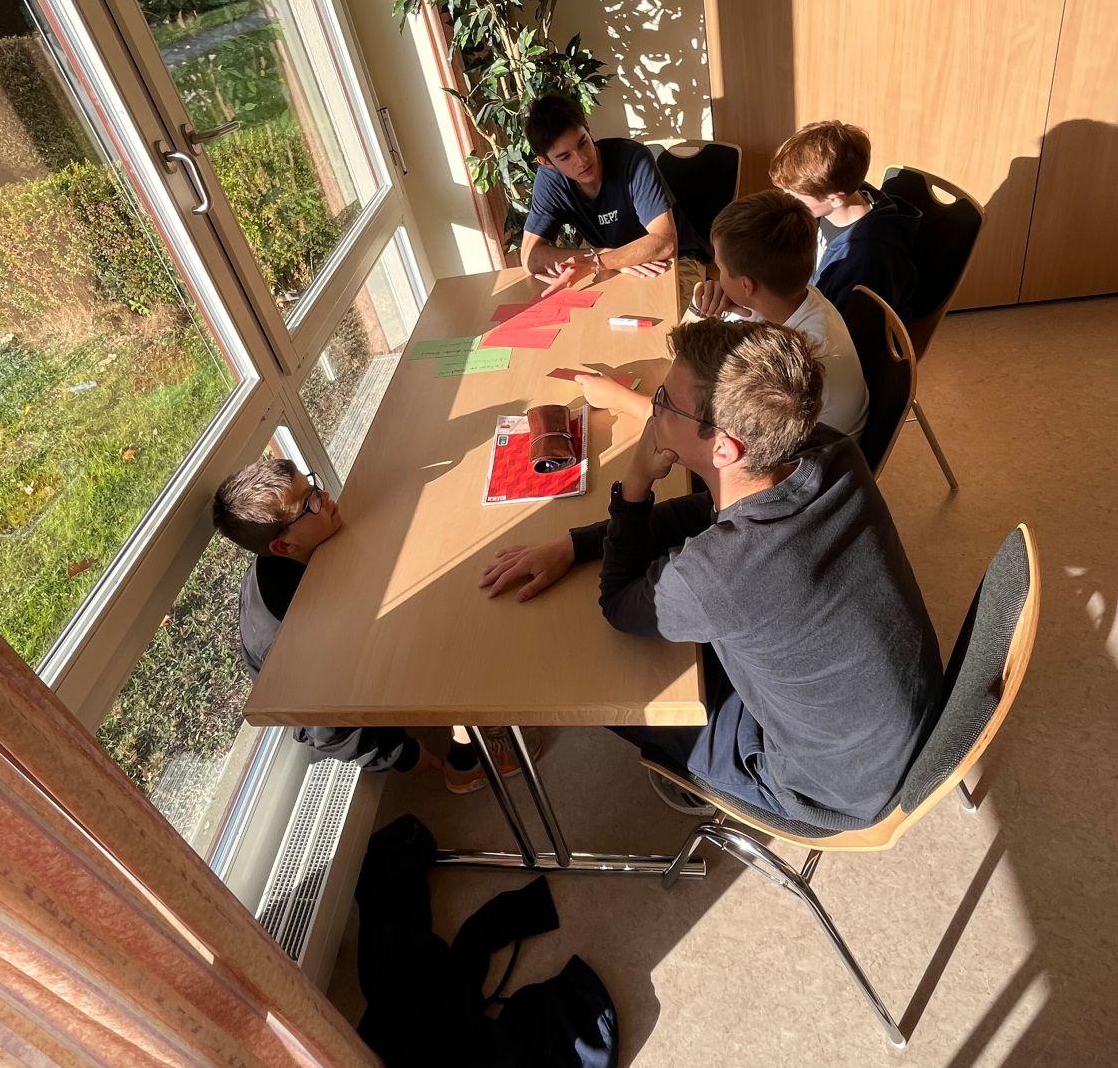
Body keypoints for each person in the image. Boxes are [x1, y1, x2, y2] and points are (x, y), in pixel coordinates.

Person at [479, 319, 943, 828]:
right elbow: (706, 512)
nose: (653, 410)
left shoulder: (720, 575)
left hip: (827, 787)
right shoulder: (830, 452)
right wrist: (575, 543)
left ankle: (713, 777)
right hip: (898, 723)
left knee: (615, 696)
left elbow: (618, 601)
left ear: (724, 449)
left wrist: (635, 481)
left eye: (664, 401)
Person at [214, 458, 530, 794]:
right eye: (310, 502)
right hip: (349, 700)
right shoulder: (287, 640)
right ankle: (467, 758)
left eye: (312, 485)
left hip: (353, 641)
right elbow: (323, 727)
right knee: (453, 643)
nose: (324, 496)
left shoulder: (303, 548)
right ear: (283, 546)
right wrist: (403, 755)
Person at [572, 189, 870, 442]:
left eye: (721, 269)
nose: (716, 276)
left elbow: (695, 427)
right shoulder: (791, 294)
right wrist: (700, 309)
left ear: (747, 285)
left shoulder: (789, 363)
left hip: (805, 468)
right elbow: (680, 356)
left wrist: (617, 398)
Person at [520, 93, 710, 306]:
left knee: (661, 317)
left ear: (588, 130)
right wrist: (603, 258)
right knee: (593, 318)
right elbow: (530, 258)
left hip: (674, 259)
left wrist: (597, 261)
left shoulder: (633, 159)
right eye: (565, 157)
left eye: (583, 143)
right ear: (546, 162)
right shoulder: (549, 181)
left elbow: (665, 244)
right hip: (612, 265)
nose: (582, 159)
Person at [768, 119, 920, 318]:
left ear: (835, 199)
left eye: (794, 195)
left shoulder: (867, 260)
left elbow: (846, 327)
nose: (786, 199)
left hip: (830, 325)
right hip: (811, 302)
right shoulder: (837, 198)